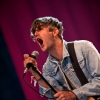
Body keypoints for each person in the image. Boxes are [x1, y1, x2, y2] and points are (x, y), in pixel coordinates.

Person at [23, 16, 100, 100]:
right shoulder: (47, 68)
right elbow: (54, 97)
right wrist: (36, 73)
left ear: (55, 32)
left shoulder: (83, 47)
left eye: (40, 29)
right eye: (34, 32)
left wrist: (73, 94)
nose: (35, 34)